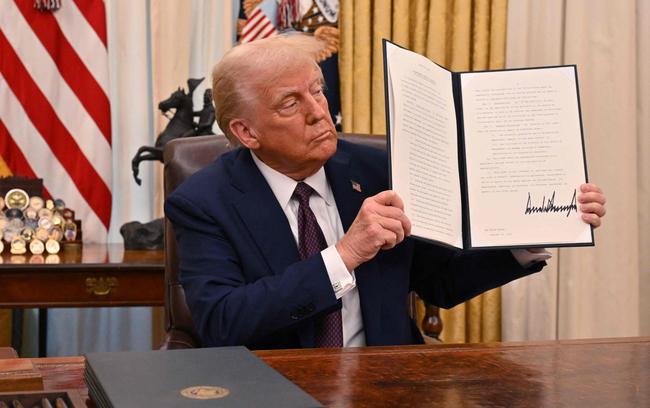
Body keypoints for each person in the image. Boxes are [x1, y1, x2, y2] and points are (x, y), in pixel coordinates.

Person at [164, 34, 606, 350]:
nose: (320, 112)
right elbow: (223, 322)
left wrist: (534, 228)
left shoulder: (378, 170)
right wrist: (345, 254)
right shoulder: (204, 201)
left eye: (317, 90)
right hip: (274, 388)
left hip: (389, 381)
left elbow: (441, 282)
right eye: (291, 103)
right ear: (246, 132)